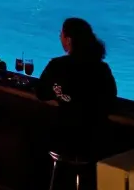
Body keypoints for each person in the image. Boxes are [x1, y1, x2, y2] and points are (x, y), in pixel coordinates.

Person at [36, 18, 117, 172]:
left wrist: (60, 99)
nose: (59, 37)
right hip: (95, 141)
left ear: (69, 40)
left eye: (61, 34)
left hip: (62, 141)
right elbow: (110, 103)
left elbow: (41, 93)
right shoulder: (102, 69)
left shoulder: (57, 66)